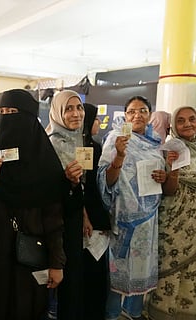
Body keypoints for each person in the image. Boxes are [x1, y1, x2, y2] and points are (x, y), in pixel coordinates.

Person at [0, 88, 66, 319]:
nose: (6, 117)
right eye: (2, 112)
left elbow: (54, 218)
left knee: (25, 302)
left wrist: (57, 263)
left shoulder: (45, 160)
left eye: (12, 112)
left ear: (29, 117)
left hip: (32, 244)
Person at [98, 96, 166, 320]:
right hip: (123, 215)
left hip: (148, 216)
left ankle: (134, 312)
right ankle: (112, 314)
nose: (137, 115)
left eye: (143, 110)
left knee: (141, 267)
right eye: (132, 111)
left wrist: (163, 176)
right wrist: (119, 155)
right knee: (118, 269)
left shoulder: (156, 142)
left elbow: (160, 177)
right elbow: (105, 181)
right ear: (125, 115)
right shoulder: (115, 139)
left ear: (150, 115)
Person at [148, 106, 196, 320]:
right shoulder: (169, 150)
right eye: (181, 121)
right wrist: (173, 170)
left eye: (192, 120)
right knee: (171, 277)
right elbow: (168, 190)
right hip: (175, 232)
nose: (188, 124)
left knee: (192, 277)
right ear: (173, 126)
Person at [45, 90, 85, 319]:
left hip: (79, 218)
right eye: (68, 108)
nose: (75, 113)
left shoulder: (83, 141)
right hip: (58, 221)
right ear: (57, 112)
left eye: (78, 107)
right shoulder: (50, 145)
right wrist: (67, 181)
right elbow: (47, 190)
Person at [81, 103, 111, 318]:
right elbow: (86, 186)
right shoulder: (87, 147)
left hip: (94, 214)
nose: (99, 123)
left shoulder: (94, 145)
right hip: (88, 216)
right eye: (95, 119)